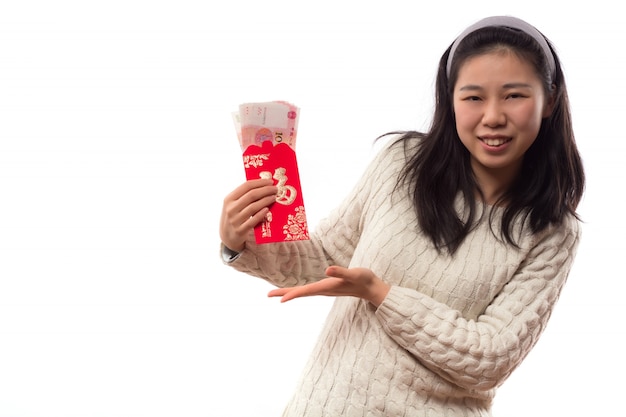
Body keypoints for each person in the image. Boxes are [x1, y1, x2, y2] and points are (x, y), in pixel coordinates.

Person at [219, 15, 585, 417]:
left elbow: (489, 360)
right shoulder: (402, 162)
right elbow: (324, 262)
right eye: (474, 97)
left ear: (549, 100)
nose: (493, 116)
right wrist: (239, 241)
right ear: (450, 99)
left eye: (514, 95)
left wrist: (381, 294)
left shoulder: (552, 231)